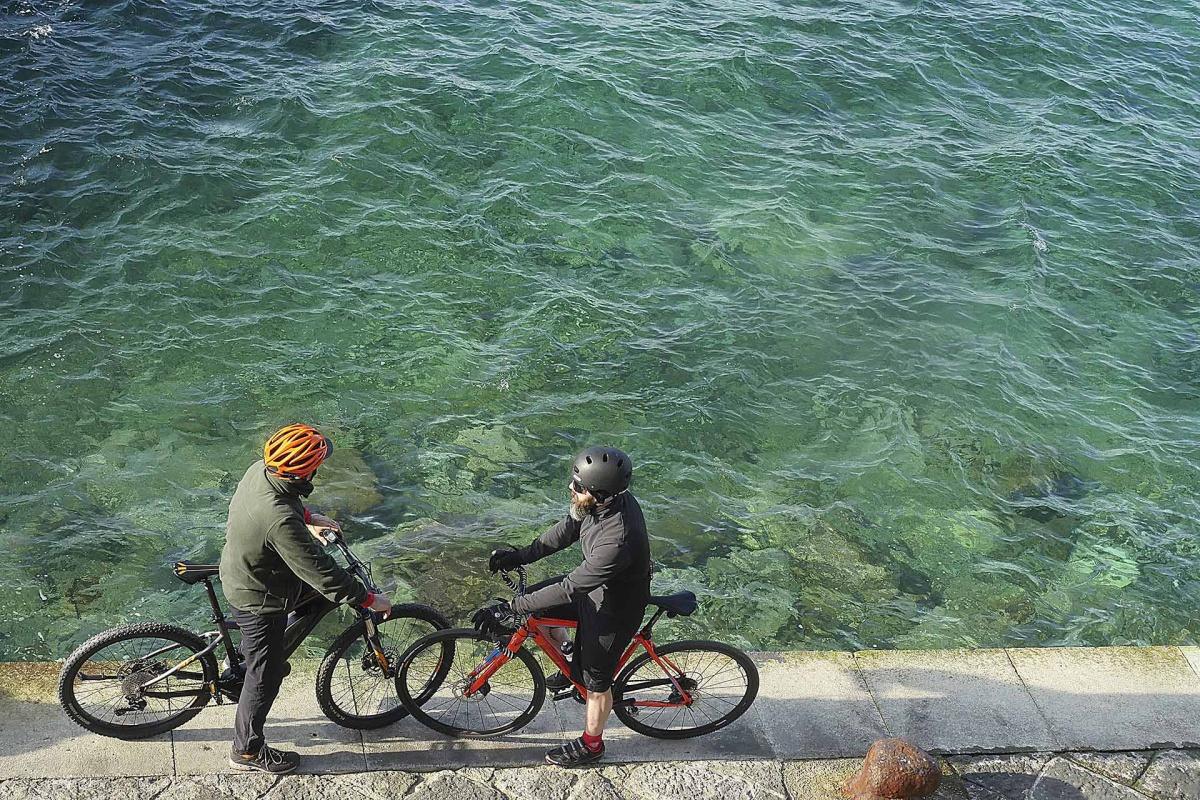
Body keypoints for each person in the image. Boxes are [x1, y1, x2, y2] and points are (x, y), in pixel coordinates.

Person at [219, 423, 392, 774]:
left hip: (249, 569)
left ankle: (244, 657)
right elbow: (322, 572)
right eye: (316, 465)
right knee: (265, 677)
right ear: (303, 471)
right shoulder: (279, 519)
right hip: (259, 597)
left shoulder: (260, 472)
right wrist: (368, 599)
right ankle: (247, 750)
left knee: (318, 598)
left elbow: (285, 508)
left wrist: (309, 518)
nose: (319, 469)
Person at [472, 445, 650, 766]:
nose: (572, 488)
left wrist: (511, 607)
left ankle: (592, 745)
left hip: (613, 610)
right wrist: (521, 555)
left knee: (596, 684)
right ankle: (570, 659)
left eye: (578, 486)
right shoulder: (600, 504)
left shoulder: (617, 540)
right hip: (593, 590)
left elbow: (569, 588)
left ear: (599, 494)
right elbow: (567, 530)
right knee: (538, 611)